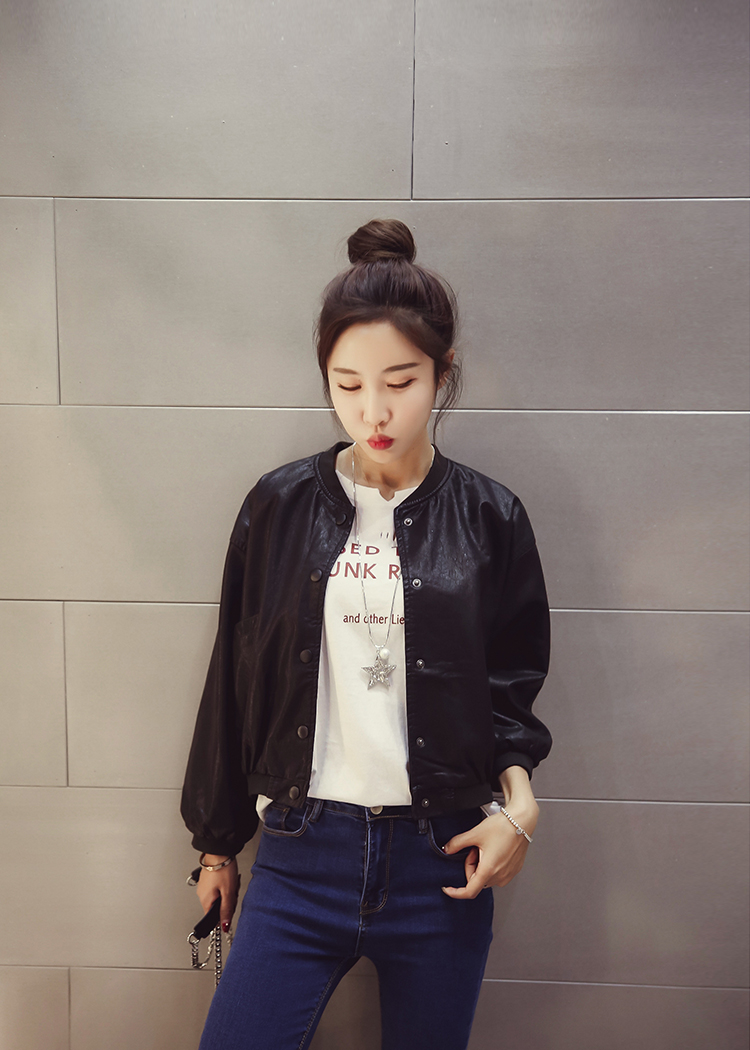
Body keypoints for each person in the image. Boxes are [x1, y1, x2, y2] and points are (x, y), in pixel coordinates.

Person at [180, 217, 552, 1050]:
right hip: (300, 853)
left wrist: (519, 806)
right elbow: (233, 682)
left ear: (443, 371)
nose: (373, 411)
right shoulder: (278, 506)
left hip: (442, 858)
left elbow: (510, 692)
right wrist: (216, 847)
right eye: (347, 384)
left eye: (401, 381)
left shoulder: (491, 517)